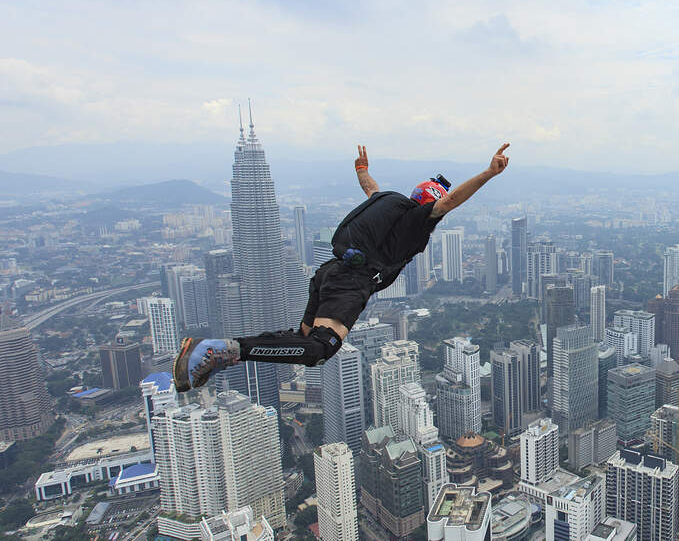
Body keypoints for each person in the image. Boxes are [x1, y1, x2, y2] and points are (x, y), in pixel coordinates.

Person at [172, 142, 510, 391]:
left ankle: (220, 350)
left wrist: (362, 170)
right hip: (352, 281)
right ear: (428, 206)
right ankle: (220, 351)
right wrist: (489, 173)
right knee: (321, 348)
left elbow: (371, 189)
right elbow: (449, 202)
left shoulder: (388, 204)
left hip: (329, 272)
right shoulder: (416, 221)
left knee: (304, 338)